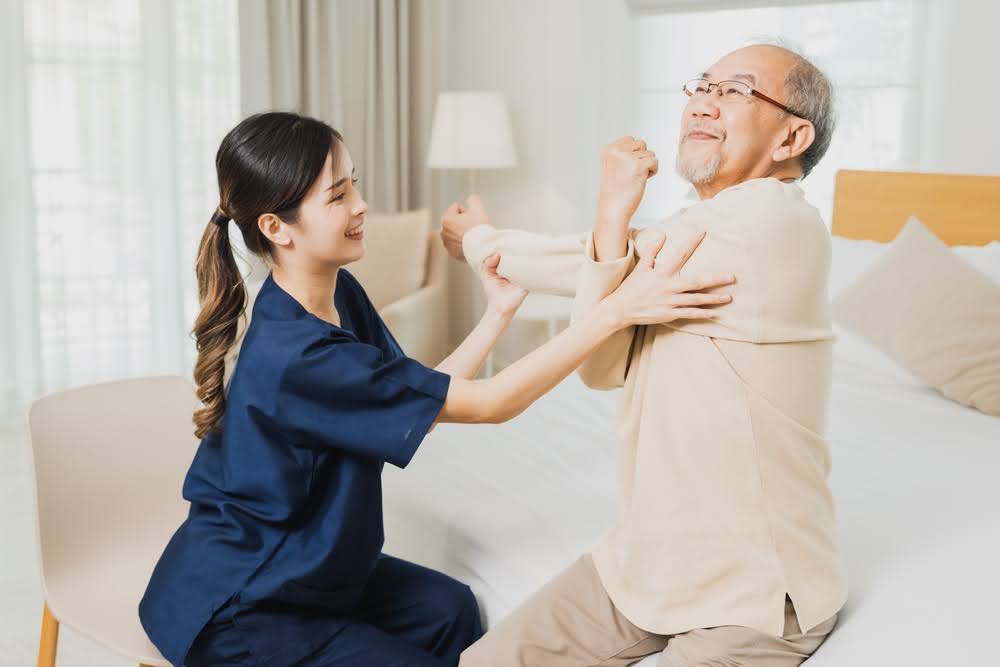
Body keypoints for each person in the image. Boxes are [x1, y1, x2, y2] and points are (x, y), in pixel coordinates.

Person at [137, 111, 736, 667]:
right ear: (277, 227)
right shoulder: (295, 356)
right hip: (246, 609)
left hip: (308, 572)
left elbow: (422, 392)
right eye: (339, 195)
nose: (363, 205)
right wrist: (613, 313)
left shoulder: (334, 295)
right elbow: (491, 405)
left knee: (452, 611)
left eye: (355, 184)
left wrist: (496, 313)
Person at [447, 44, 848, 666]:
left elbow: (610, 256)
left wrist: (478, 241)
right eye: (701, 86)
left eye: (736, 91)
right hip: (645, 564)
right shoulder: (700, 228)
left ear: (793, 136)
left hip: (756, 594)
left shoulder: (772, 223)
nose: (704, 103)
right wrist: (606, 232)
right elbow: (603, 367)